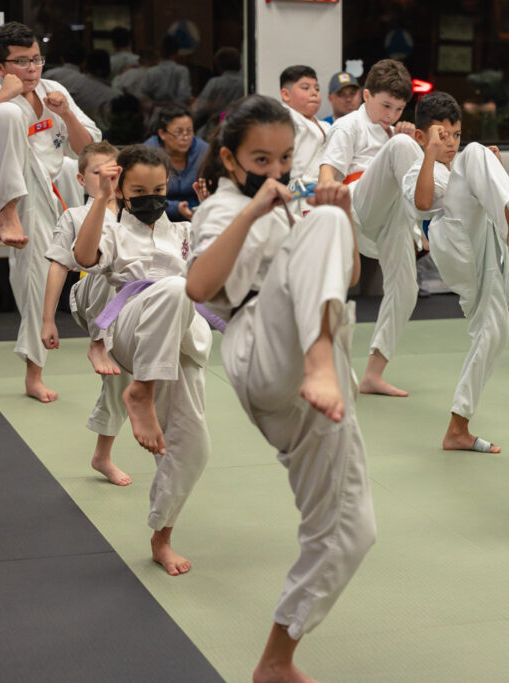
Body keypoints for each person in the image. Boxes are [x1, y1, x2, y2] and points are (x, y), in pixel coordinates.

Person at [186, 94, 375, 683]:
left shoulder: (298, 209)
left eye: (286, 158)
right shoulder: (218, 209)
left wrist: (340, 216)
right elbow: (198, 287)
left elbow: (346, 281)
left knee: (350, 532)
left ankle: (276, 659)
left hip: (317, 377)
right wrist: (253, 212)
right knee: (317, 221)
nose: (275, 171)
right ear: (229, 159)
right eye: (260, 159)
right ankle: (317, 354)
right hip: (261, 347)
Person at [73, 144, 212, 576]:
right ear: (123, 188)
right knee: (172, 288)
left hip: (178, 339)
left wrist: (210, 216)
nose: (151, 198)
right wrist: (102, 197)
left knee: (193, 450)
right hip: (131, 327)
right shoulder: (111, 227)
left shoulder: (183, 232)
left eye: (159, 189)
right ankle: (141, 392)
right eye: (139, 190)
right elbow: (83, 258)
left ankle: (161, 537)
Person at [0, 21, 100, 402]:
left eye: (36, 60)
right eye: (21, 62)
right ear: (0, 67)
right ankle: (9, 211)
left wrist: (67, 115)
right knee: (7, 116)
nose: (32, 69)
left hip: (39, 189)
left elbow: (88, 152)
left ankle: (34, 372)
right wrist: (3, 96)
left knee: (37, 265)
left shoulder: (55, 91)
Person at [403, 91, 509, 454]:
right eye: (442, 136)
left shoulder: (463, 163)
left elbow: (476, 173)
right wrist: (429, 155)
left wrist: (493, 171)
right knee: (478, 154)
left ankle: (458, 427)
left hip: (480, 244)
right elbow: (424, 203)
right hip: (451, 240)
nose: (451, 144)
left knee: (494, 331)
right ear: (421, 136)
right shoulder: (419, 166)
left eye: (455, 135)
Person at [319, 59, 421, 397]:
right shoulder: (349, 126)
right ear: (366, 96)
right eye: (385, 105)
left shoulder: (396, 131)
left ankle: (373, 374)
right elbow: (326, 176)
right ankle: (440, 207)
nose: (390, 114)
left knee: (407, 288)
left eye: (398, 108)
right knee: (405, 146)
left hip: (391, 216)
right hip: (356, 208)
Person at [40, 140, 131, 487]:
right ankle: (98, 341)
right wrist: (48, 320)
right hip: (91, 295)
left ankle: (102, 456)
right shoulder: (75, 216)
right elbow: (59, 267)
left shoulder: (135, 209)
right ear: (81, 180)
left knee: (121, 379)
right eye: (98, 172)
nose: (108, 177)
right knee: (112, 272)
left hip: (133, 306)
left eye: (115, 171)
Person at [279, 65, 330, 216]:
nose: (314, 93)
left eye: (317, 89)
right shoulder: (285, 119)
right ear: (286, 95)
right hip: (296, 196)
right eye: (305, 88)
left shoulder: (325, 125)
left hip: (324, 193)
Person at [145, 104, 208, 221]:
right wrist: (176, 208)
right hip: (157, 218)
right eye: (179, 132)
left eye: (189, 131)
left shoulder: (203, 151)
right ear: (162, 134)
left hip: (197, 215)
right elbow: (144, 198)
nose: (185, 137)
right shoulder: (147, 153)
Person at [192, 47, 244, 132]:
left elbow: (199, 109)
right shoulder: (244, 83)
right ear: (240, 64)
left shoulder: (215, 83)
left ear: (218, 67)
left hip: (216, 128)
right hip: (239, 127)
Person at [138, 34, 192, 109]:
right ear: (177, 53)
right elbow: (184, 96)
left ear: (159, 51)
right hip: (177, 114)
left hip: (156, 114)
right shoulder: (182, 70)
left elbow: (142, 95)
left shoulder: (151, 72)